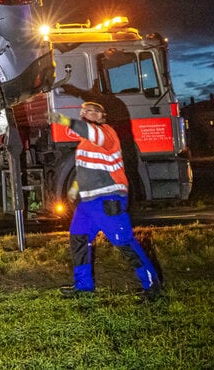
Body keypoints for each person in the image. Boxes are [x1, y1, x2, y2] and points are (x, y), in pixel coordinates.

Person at [51, 101, 161, 300]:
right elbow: (84, 170)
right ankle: (83, 286)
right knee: (79, 238)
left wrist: (65, 120)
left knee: (124, 242)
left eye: (90, 111)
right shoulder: (85, 143)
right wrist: (75, 189)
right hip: (88, 203)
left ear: (102, 116)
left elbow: (91, 132)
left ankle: (152, 285)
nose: (85, 113)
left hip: (108, 198)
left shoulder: (106, 133)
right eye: (83, 111)